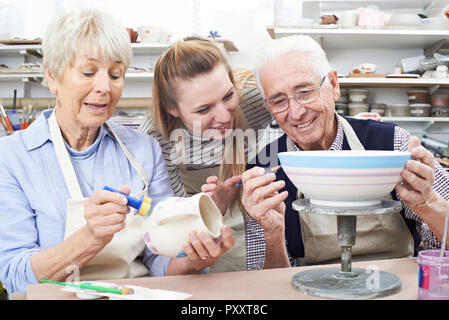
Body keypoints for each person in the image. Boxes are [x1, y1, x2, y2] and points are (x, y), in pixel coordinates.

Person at [0, 9, 233, 295]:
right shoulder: (11, 156)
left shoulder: (143, 149)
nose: (104, 88)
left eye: (115, 74)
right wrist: (89, 238)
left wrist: (191, 260)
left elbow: (158, 258)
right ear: (52, 75)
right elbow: (14, 275)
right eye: (88, 72)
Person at [140, 36, 382, 272]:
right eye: (203, 109)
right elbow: (175, 223)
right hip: (198, 209)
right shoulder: (155, 138)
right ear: (172, 109)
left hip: (247, 198)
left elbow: (300, 109)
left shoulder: (254, 100)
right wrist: (212, 209)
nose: (225, 117)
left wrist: (344, 127)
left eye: (227, 96)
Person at [209, 35, 449, 270]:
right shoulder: (262, 173)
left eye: (304, 92)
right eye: (279, 101)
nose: (295, 113)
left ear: (333, 85)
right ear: (267, 107)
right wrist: (273, 235)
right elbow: (268, 287)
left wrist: (428, 203)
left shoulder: (393, 143)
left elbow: (442, 248)